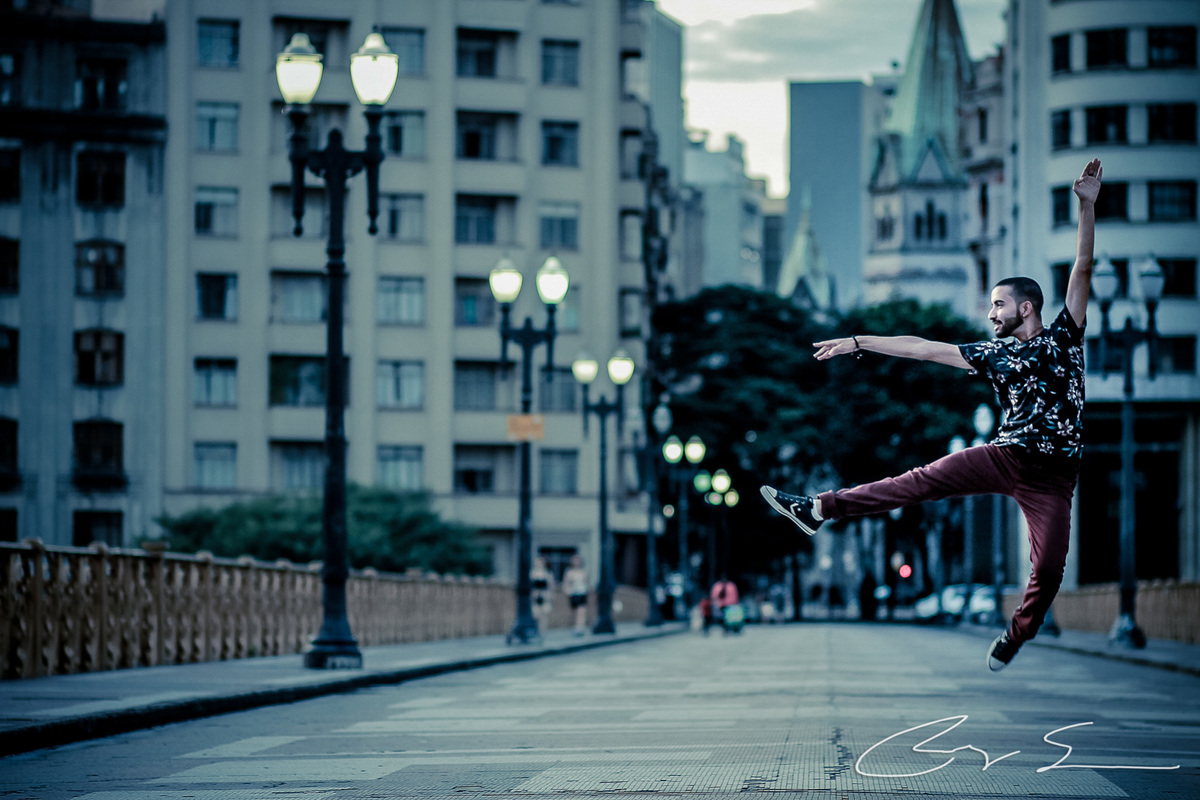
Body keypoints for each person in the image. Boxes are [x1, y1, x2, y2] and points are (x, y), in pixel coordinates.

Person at [761, 158, 1103, 673]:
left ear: (1027, 307)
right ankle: (816, 509)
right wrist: (857, 341)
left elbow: (1083, 267)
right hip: (1005, 456)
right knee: (914, 484)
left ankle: (1017, 634)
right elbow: (921, 348)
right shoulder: (991, 354)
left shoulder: (1065, 337)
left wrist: (1086, 207)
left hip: (1053, 477)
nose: (990, 314)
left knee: (1050, 567)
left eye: (999, 305)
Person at [562, 554, 589, 636]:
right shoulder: (569, 572)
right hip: (573, 594)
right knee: (574, 612)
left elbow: (587, 583)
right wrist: (568, 592)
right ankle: (574, 627)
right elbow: (566, 584)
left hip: (582, 593)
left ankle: (580, 628)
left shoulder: (583, 572)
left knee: (581, 611)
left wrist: (586, 590)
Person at [530, 556, 554, 632]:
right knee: (535, 614)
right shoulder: (532, 573)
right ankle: (535, 629)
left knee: (544, 614)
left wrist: (551, 596)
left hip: (545, 595)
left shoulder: (547, 574)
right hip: (535, 595)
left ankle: (542, 630)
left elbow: (551, 586)